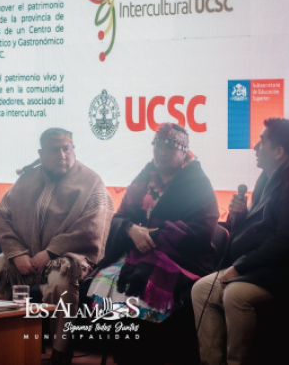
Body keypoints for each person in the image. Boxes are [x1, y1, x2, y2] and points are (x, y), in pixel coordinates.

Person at [0, 128, 114, 365]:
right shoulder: (27, 179)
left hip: (67, 257)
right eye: (54, 150)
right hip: (25, 253)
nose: (62, 155)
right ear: (41, 154)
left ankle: (60, 351)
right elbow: (4, 215)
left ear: (73, 150)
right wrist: (16, 253)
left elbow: (92, 226)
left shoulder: (91, 182)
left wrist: (50, 252)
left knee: (61, 282)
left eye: (66, 149)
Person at [191, 118, 289, 365]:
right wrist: (239, 216)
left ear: (279, 151)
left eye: (261, 142)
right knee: (202, 289)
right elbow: (258, 230)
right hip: (266, 267)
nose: (255, 147)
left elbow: (286, 242)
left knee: (235, 294)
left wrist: (239, 267)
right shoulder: (268, 177)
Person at [87, 122, 219, 363]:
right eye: (158, 146)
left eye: (170, 147)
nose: (162, 152)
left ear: (184, 152)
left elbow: (201, 230)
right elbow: (119, 218)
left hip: (180, 259)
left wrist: (152, 236)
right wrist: (131, 229)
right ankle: (125, 357)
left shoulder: (197, 183)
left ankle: (152, 356)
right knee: (106, 281)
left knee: (144, 289)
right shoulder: (144, 179)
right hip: (137, 254)